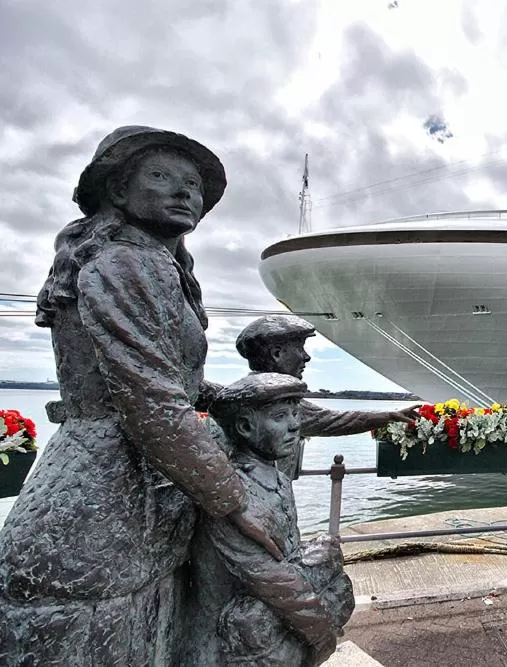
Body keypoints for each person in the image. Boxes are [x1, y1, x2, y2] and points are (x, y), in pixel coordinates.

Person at [0, 126, 283, 664]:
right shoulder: (129, 263)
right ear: (118, 191)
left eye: (194, 186)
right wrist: (233, 501)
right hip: (106, 501)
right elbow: (153, 402)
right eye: (161, 177)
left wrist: (239, 398)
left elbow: (176, 383)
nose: (185, 194)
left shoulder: (143, 265)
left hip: (126, 492)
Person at [184, 373, 352, 666]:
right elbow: (269, 579)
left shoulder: (278, 481)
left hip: (275, 618)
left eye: (295, 413)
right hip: (228, 643)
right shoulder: (230, 493)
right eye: (280, 416)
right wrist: (323, 636)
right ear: (245, 426)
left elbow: (289, 561)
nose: (295, 425)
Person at [215, 314, 419, 478]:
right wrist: (389, 416)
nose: (306, 356)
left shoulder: (238, 397)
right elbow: (334, 421)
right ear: (276, 353)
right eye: (299, 347)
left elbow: (334, 420)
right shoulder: (265, 400)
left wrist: (389, 416)